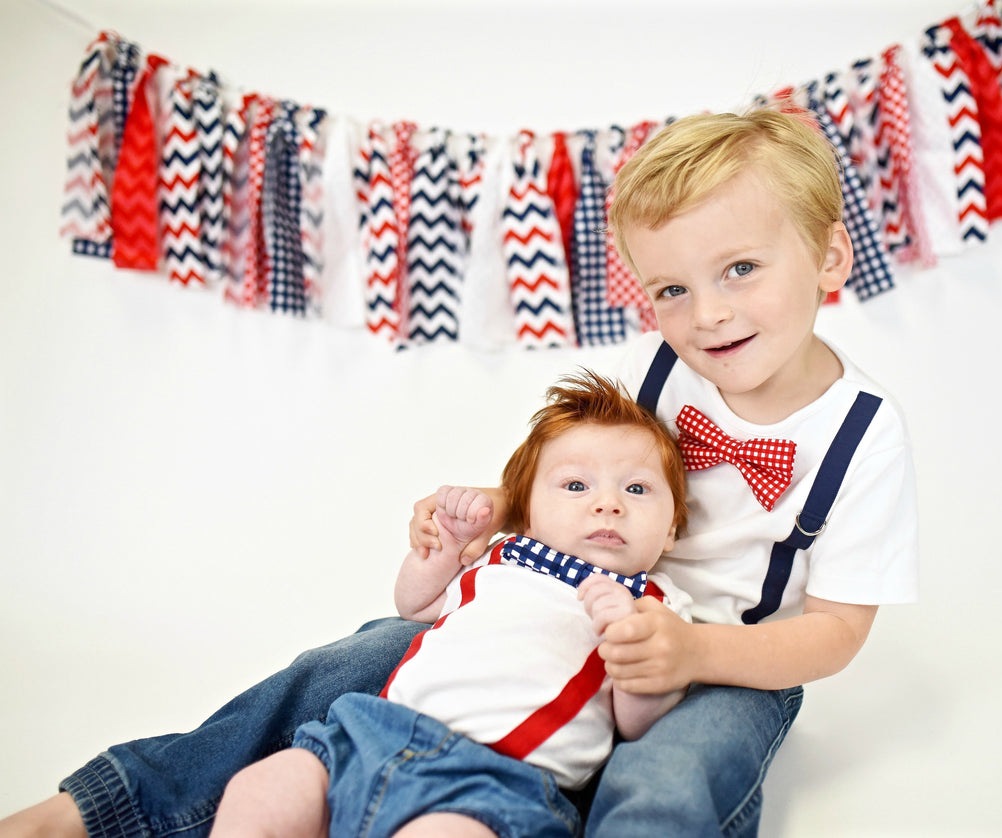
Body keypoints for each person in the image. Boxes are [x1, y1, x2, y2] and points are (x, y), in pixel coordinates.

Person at [1, 107, 917, 838]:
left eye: (742, 269)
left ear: (830, 256)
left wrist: (693, 653)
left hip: (723, 658)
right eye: (673, 289)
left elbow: (835, 631)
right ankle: (118, 807)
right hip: (560, 601)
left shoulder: (864, 433)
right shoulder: (661, 369)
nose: (706, 314)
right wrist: (493, 512)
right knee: (348, 664)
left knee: (668, 775)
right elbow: (586, 470)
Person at [208, 370, 690, 838]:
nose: (608, 504)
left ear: (671, 529)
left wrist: (628, 642)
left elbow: (638, 723)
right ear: (525, 514)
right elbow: (416, 606)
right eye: (576, 486)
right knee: (262, 788)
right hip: (370, 734)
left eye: (637, 488)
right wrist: (442, 551)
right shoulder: (504, 559)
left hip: (495, 781)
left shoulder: (654, 606)